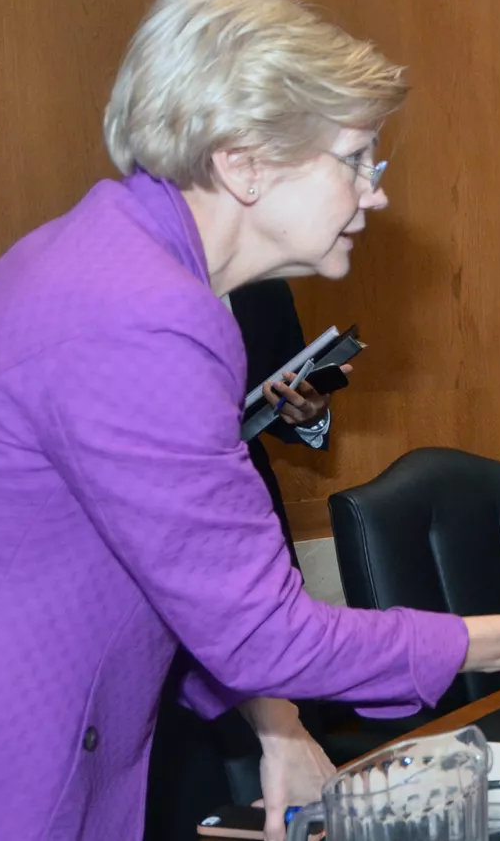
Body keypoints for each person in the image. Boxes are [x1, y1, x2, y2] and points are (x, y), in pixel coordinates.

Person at [0, 0, 500, 840]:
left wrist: (275, 725)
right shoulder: (143, 317)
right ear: (246, 166)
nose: (376, 193)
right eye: (356, 158)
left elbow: (182, 572)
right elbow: (258, 628)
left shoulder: (120, 265)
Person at [144, 279, 349, 841]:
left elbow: (297, 412)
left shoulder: (265, 290)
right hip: (160, 527)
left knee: (285, 679)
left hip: (255, 514)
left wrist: (309, 412)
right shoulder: (131, 281)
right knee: (183, 740)